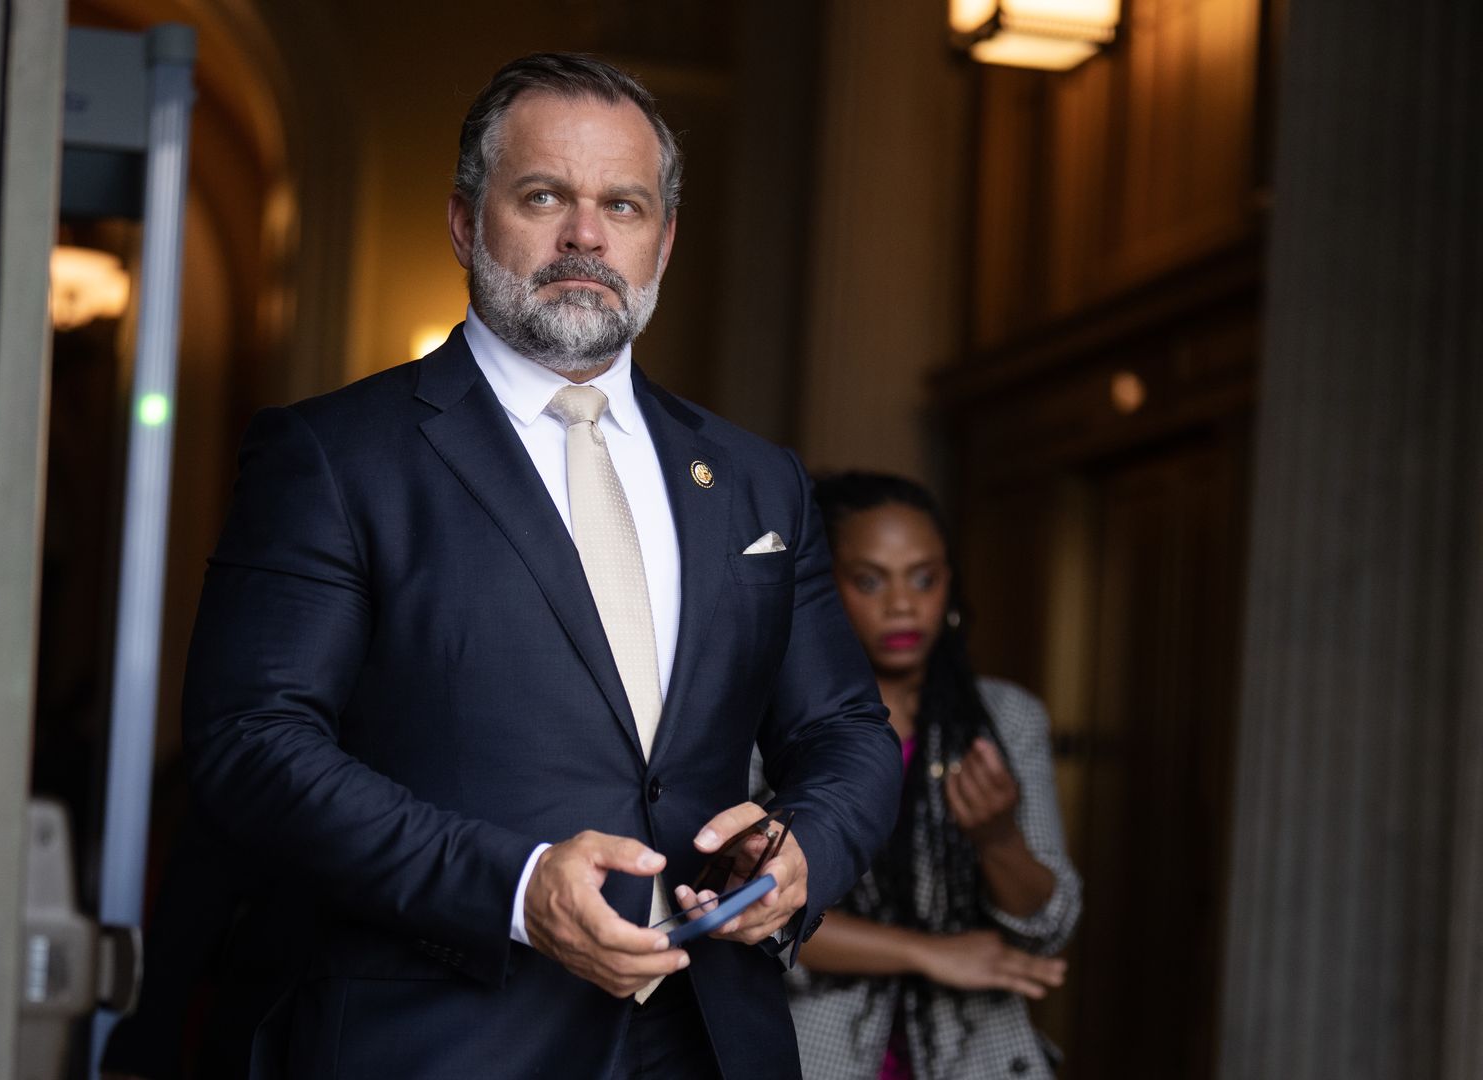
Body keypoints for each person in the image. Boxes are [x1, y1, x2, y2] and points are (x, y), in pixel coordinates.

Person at [183, 53, 903, 1079]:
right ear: (466, 222)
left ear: (664, 238)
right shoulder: (336, 456)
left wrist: (804, 854)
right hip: (442, 1037)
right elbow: (249, 743)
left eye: (623, 203)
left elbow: (846, 733)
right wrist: (513, 888)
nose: (586, 235)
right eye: (543, 196)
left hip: (709, 1038)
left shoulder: (754, 481)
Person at [764, 472, 1081, 1079]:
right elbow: (754, 913)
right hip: (816, 1053)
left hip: (979, 1058)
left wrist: (997, 840)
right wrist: (932, 954)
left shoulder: (1006, 720)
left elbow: (1048, 927)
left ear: (951, 585)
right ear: (824, 588)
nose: (903, 604)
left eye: (924, 577)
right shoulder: (773, 716)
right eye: (869, 580)